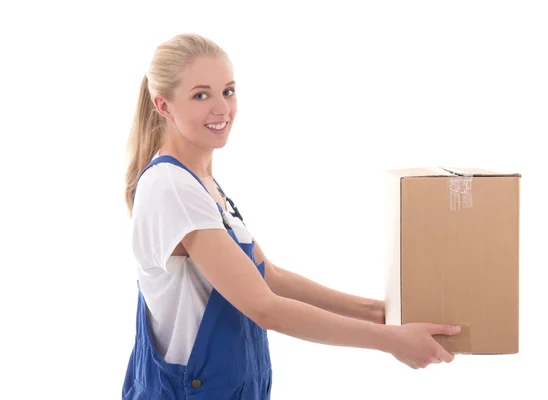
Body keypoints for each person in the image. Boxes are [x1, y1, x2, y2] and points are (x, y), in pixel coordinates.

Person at [122, 33, 461, 400]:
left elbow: (268, 275)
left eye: (229, 91)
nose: (221, 108)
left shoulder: (202, 184)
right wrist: (389, 340)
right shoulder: (171, 185)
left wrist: (377, 312)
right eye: (201, 95)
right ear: (163, 105)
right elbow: (264, 308)